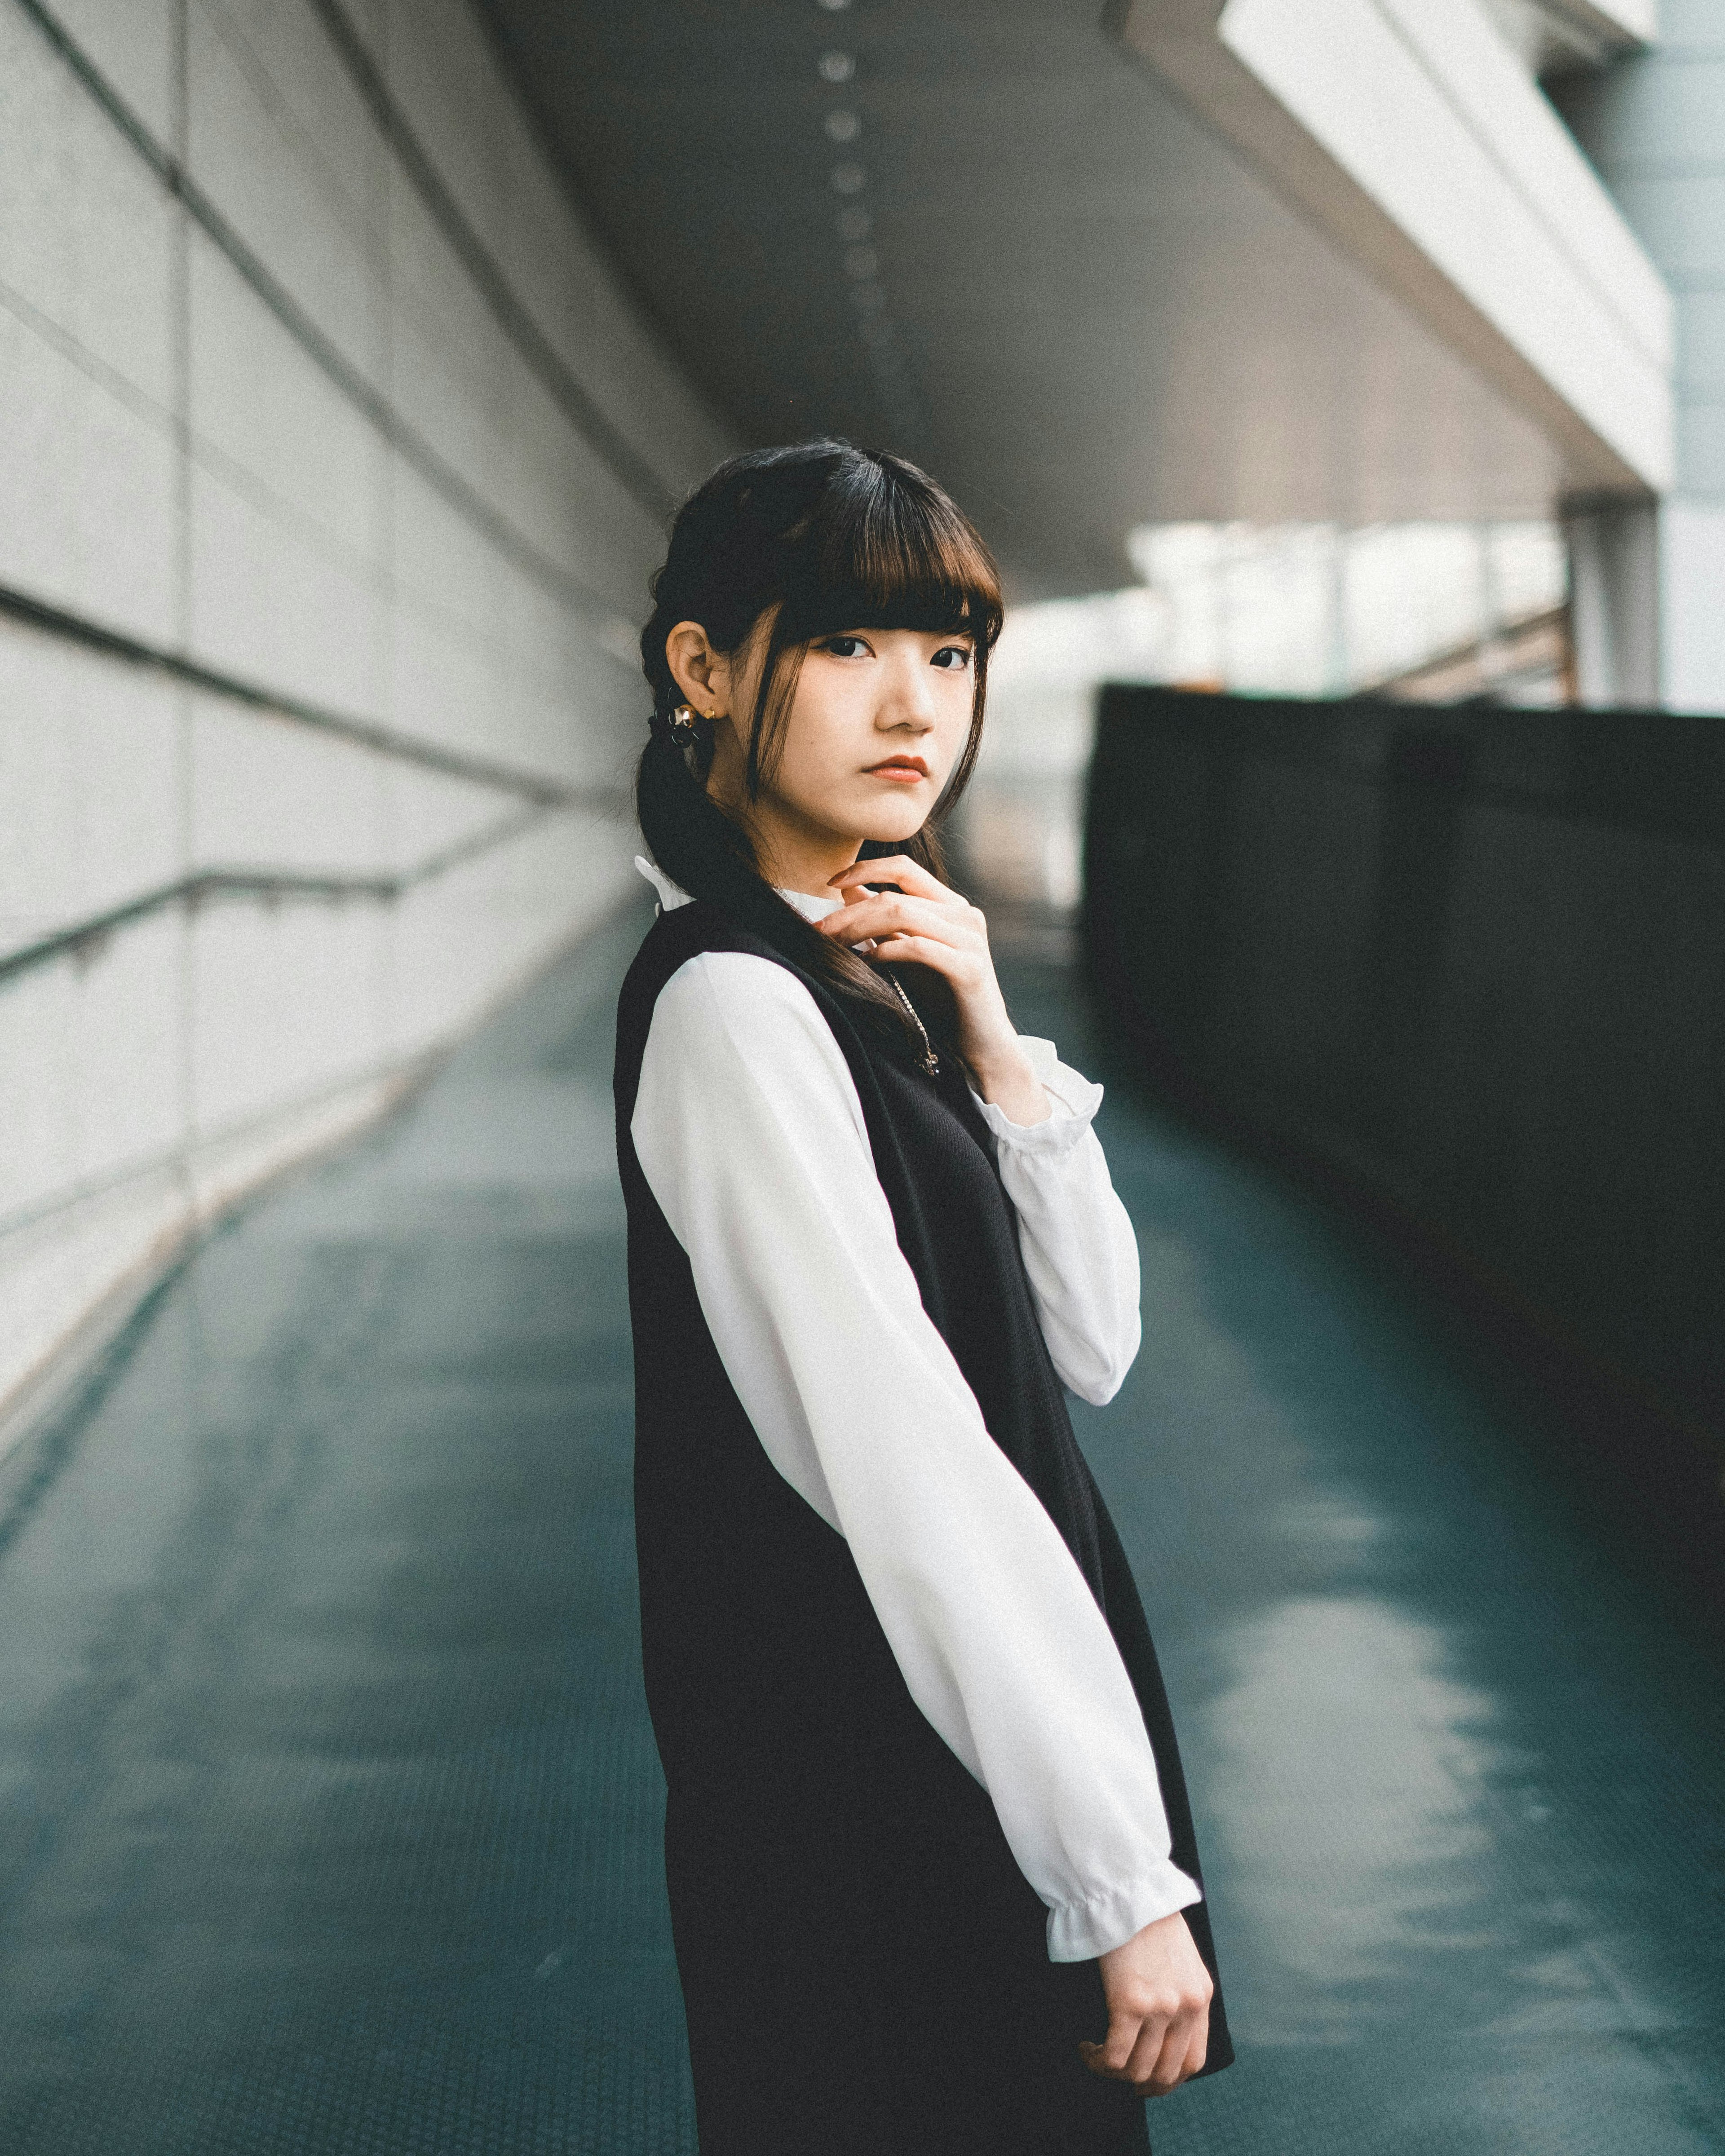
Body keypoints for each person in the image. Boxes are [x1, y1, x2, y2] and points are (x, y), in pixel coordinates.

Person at [613, 442, 1232, 2154]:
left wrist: (991, 1038)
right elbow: (907, 1466)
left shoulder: (858, 973)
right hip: (870, 1801)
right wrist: (1113, 1870)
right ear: (705, 667)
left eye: (949, 655)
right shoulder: (733, 1007)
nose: (915, 706)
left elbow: (1091, 1347)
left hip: (936, 1771)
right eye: (848, 646)